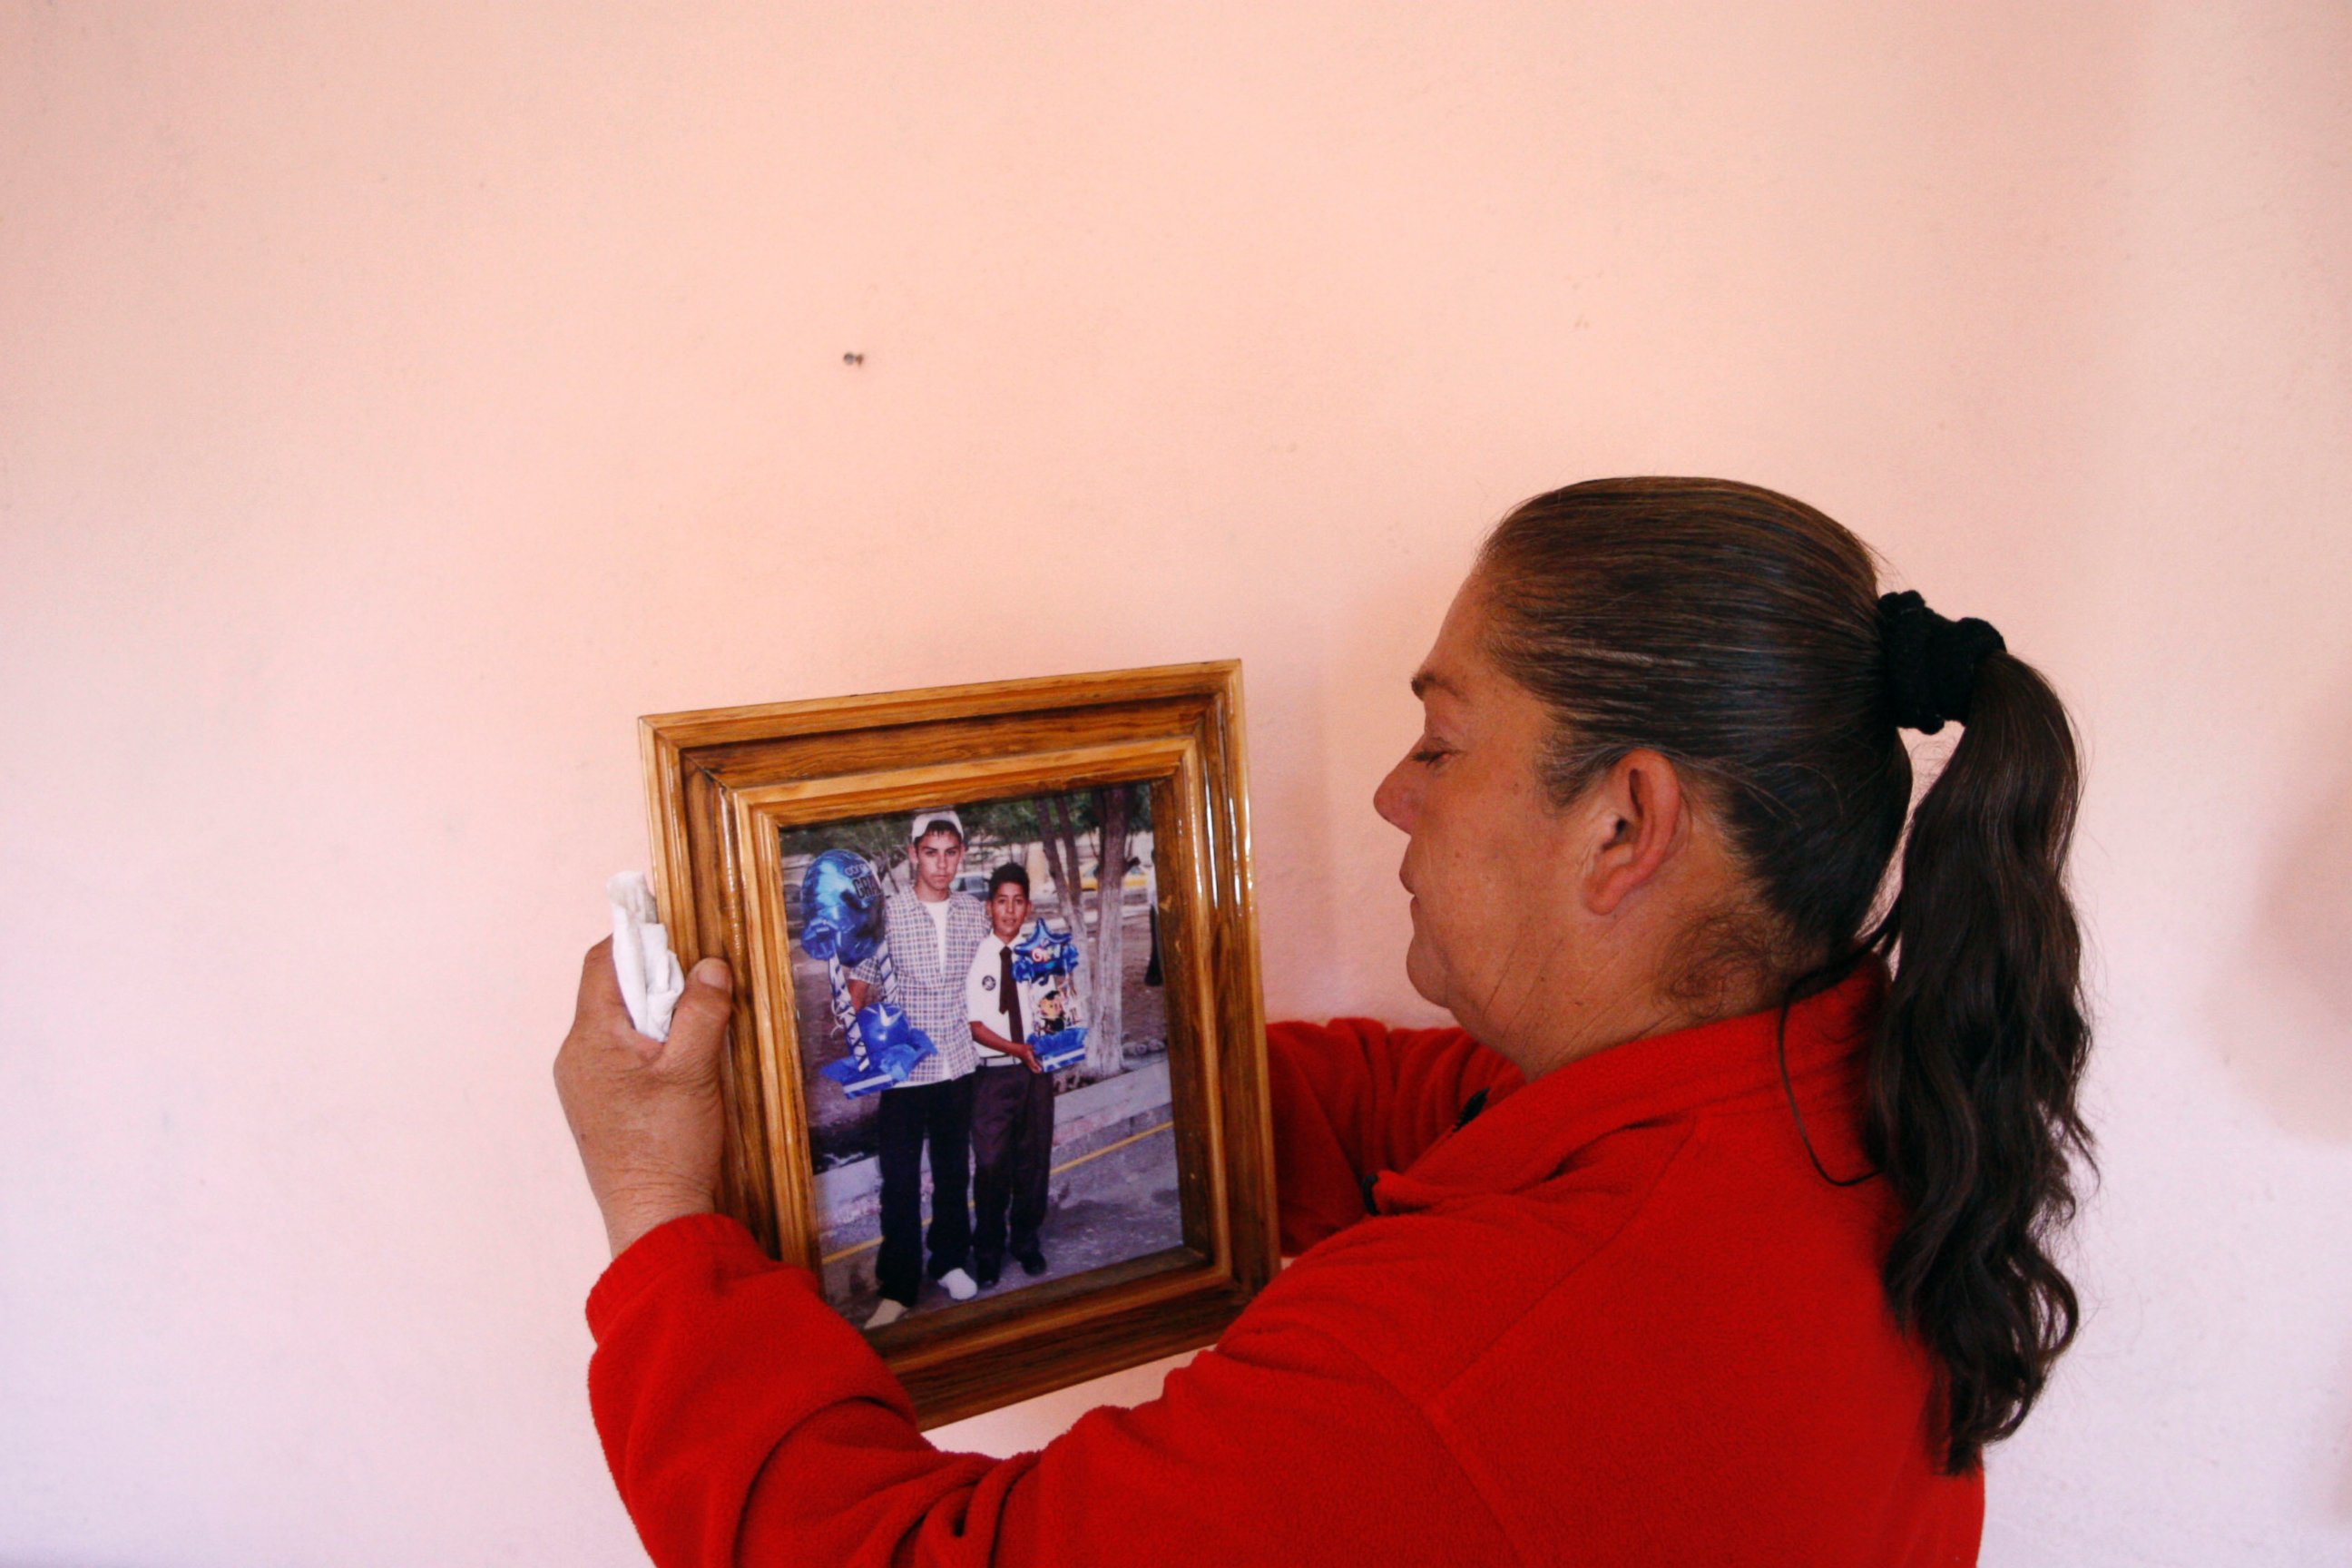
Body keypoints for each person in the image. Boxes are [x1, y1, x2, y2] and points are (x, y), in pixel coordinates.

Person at [554, 477, 2092, 1565]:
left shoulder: (1451, 1369)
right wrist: (1165, 1083)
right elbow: (1427, 1111)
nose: (1389, 795)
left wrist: (655, 1212)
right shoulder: (1848, 1086)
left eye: (1441, 739)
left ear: (1624, 825)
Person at [843, 808, 991, 1328]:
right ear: (913, 854)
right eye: (931, 852)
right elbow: (858, 983)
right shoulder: (885, 913)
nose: (941, 864)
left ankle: (950, 1260)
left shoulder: (975, 913)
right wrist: (855, 1032)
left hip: (959, 1063)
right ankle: (900, 1286)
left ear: (961, 856)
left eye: (951, 853)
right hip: (905, 1071)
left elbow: (993, 980)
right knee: (900, 1181)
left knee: (954, 1172)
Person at [962, 862, 1059, 1287]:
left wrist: (1058, 1035)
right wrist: (1015, 1049)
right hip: (993, 1076)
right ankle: (987, 1250)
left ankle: (1025, 1240)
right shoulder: (976, 956)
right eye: (1002, 901)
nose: (1009, 910)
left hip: (1035, 1075)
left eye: (1018, 901)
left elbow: (1055, 1010)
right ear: (989, 907)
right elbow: (975, 1026)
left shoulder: (1039, 954)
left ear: (1028, 907)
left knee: (1033, 1164)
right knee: (990, 1165)